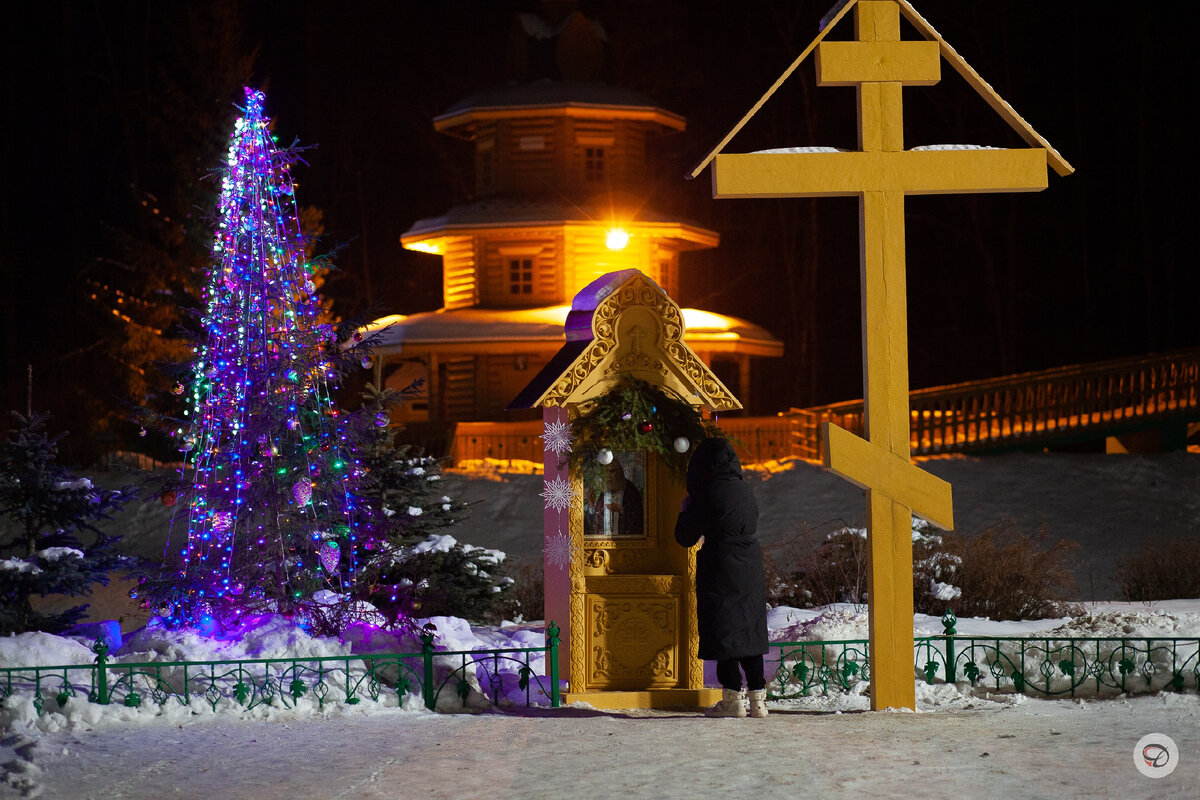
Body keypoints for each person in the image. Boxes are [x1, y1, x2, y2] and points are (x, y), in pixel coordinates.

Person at [674, 437, 769, 718]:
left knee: (725, 628)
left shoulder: (705, 493)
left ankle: (732, 700)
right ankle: (758, 700)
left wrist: (684, 510)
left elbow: (685, 538)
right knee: (749, 630)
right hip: (749, 564)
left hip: (720, 564)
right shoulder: (745, 490)